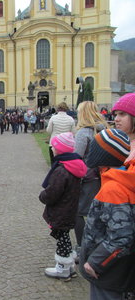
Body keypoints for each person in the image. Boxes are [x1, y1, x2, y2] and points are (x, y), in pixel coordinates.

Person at [79, 128, 134, 300]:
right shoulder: (117, 177)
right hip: (118, 269)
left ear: (103, 155)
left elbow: (121, 236)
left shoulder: (114, 188)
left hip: (108, 272)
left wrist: (95, 263)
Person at [39, 132, 87, 280]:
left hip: (61, 210)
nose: (52, 148)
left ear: (59, 150)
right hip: (69, 208)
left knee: (62, 238)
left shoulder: (62, 170)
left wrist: (43, 196)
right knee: (63, 236)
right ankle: (67, 265)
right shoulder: (73, 165)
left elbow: (53, 192)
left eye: (53, 146)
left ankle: (63, 268)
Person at [73, 101, 109, 258]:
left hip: (88, 178)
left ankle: (83, 247)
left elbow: (77, 157)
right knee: (100, 213)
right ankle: (99, 243)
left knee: (78, 212)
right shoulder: (105, 130)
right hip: (105, 177)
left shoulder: (84, 133)